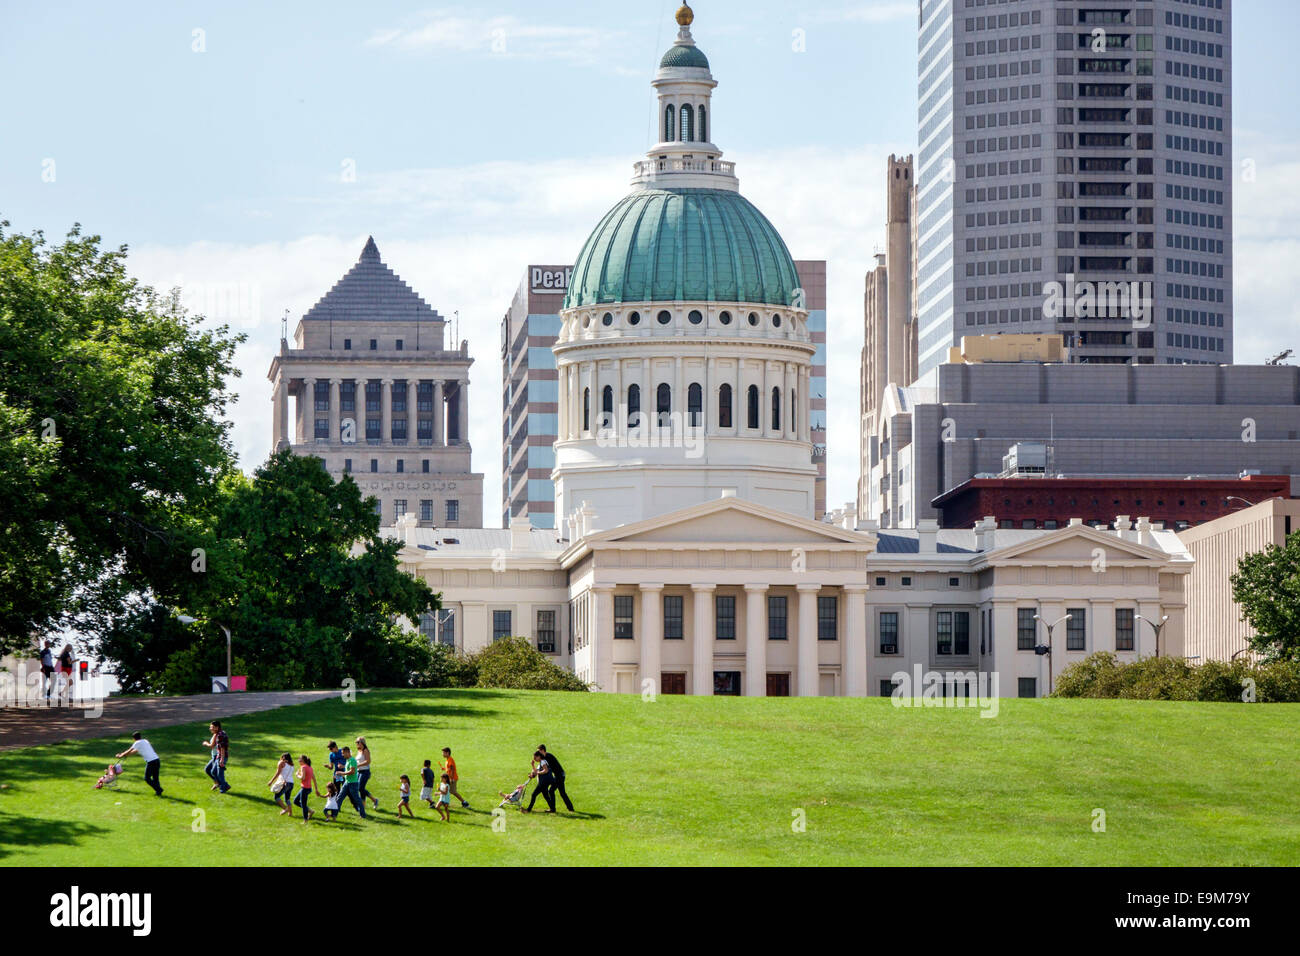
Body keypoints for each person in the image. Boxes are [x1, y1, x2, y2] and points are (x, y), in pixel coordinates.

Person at [117, 732, 163, 796]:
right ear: (140, 736)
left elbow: (129, 750)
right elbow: (135, 751)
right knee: (155, 778)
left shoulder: (137, 743)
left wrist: (120, 755)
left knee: (147, 778)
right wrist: (125, 755)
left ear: (134, 738)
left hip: (151, 762)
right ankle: (158, 792)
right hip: (157, 760)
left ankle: (159, 789)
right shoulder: (145, 741)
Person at [537, 744, 575, 812]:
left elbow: (547, 769)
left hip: (559, 776)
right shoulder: (546, 757)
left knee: (551, 791)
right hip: (560, 775)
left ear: (542, 750)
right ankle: (570, 808)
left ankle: (553, 809)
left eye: (539, 751)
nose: (538, 753)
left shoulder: (548, 757)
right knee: (562, 792)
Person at [338, 746, 367, 818]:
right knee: (339, 797)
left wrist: (342, 773)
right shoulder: (348, 760)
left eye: (343, 753)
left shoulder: (352, 760)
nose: (342, 755)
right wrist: (343, 767)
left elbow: (352, 771)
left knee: (357, 799)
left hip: (353, 783)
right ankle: (335, 812)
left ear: (347, 752)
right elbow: (350, 768)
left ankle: (363, 814)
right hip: (347, 782)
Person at [203, 721, 231, 793]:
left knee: (219, 773)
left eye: (211, 727)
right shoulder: (220, 733)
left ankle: (223, 787)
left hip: (221, 756)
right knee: (212, 771)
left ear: (216, 727)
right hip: (219, 756)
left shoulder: (220, 735)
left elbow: (222, 748)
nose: (210, 728)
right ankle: (223, 785)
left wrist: (221, 759)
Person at [355, 736, 378, 810]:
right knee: (361, 789)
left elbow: (368, 761)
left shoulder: (365, 750)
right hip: (359, 771)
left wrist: (358, 765)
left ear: (362, 743)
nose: (357, 743)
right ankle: (366, 805)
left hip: (365, 772)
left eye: (358, 742)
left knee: (360, 788)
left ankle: (373, 800)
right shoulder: (359, 750)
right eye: (356, 742)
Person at [294, 755, 317, 822]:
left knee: (303, 805)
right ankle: (310, 811)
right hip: (308, 789)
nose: (299, 761)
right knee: (295, 801)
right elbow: (314, 779)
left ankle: (305, 820)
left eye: (300, 760)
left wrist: (297, 775)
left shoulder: (303, 767)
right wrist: (316, 789)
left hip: (305, 788)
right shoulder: (310, 768)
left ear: (303, 761)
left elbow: (302, 778)